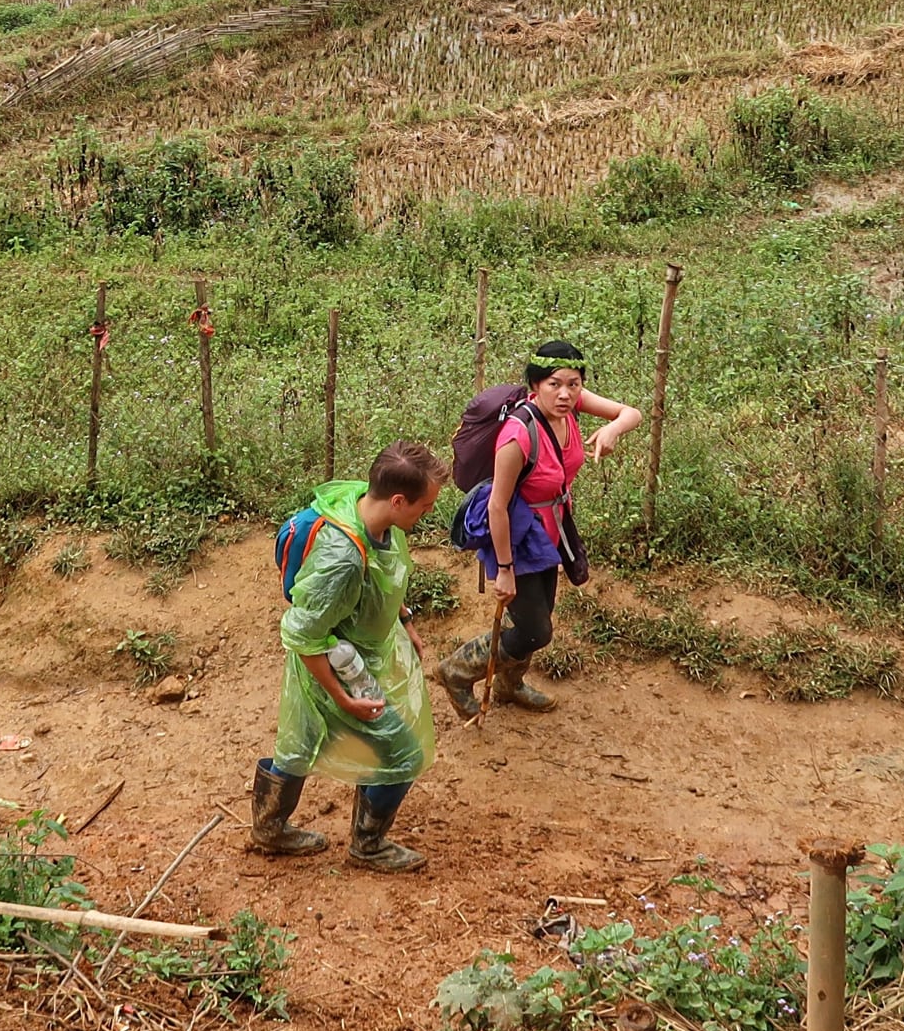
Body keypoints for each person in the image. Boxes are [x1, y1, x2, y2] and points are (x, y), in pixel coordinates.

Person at [251, 441, 448, 873]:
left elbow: (384, 574)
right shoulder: (340, 559)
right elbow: (304, 635)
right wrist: (342, 698)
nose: (428, 514)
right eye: (425, 506)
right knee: (403, 755)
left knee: (299, 743)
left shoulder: (368, 506)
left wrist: (406, 620)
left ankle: (268, 828)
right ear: (398, 500)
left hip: (357, 652)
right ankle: (368, 845)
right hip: (334, 662)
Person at [434, 340, 641, 717]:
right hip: (517, 536)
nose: (565, 393)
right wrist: (506, 570)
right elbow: (498, 505)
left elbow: (632, 413)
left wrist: (613, 430)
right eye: (554, 384)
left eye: (573, 384)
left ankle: (509, 686)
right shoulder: (517, 436)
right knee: (535, 630)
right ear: (535, 387)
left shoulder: (570, 404)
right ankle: (457, 670)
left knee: (538, 613)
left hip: (553, 529)